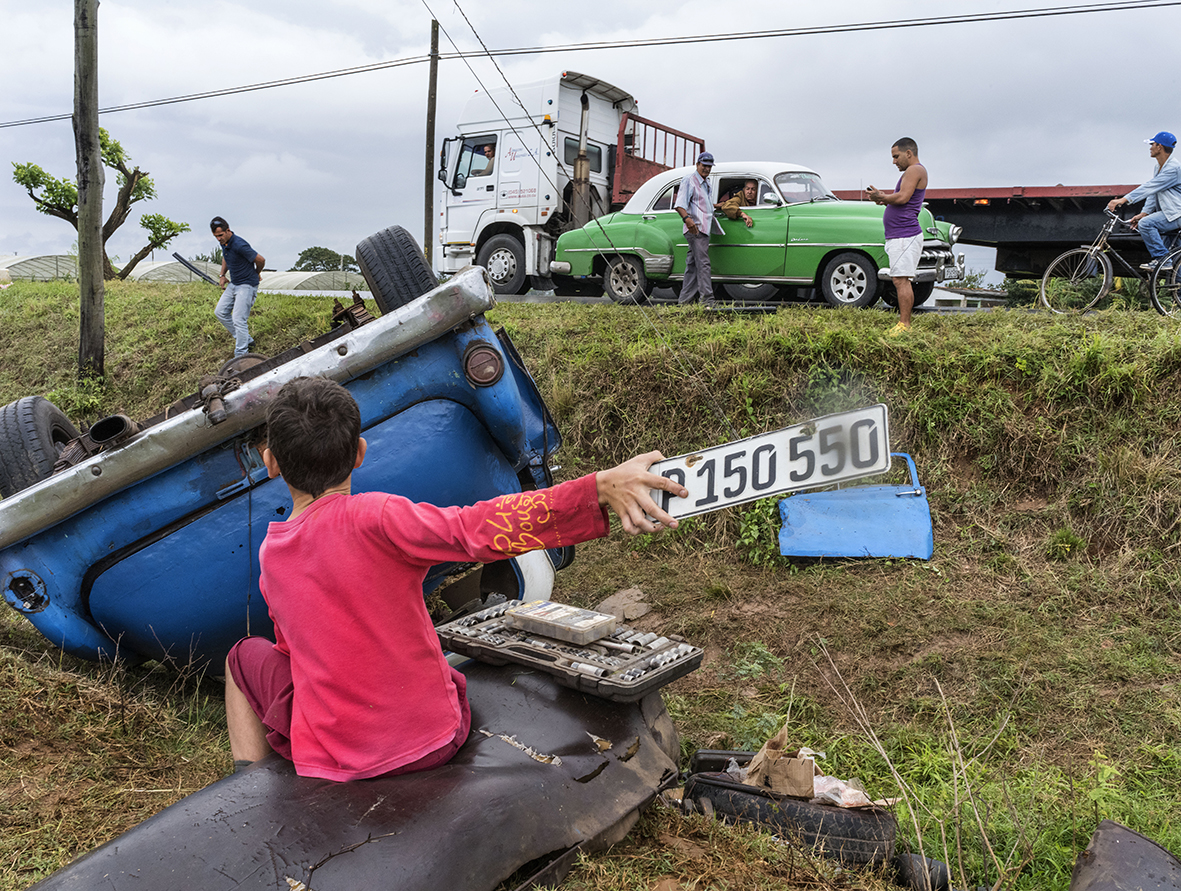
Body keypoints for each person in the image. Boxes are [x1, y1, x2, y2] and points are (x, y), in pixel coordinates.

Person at [224, 376, 689, 782]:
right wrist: (596, 488)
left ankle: (251, 786)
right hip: (435, 739)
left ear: (271, 462)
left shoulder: (272, 555)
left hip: (337, 762)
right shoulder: (378, 517)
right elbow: (477, 528)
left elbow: (294, 655)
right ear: (360, 453)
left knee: (242, 657)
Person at [867, 138, 928, 336]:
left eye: (896, 156)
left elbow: (902, 198)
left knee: (902, 280)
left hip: (905, 234)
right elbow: (901, 199)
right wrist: (884, 198)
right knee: (899, 279)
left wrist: (882, 197)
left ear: (908, 153)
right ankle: (903, 323)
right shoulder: (913, 172)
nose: (894, 161)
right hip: (899, 235)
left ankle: (904, 325)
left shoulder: (914, 170)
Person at [1107, 131, 1181, 272]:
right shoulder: (1159, 167)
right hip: (1171, 213)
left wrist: (1123, 199)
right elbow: (1154, 192)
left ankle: (1161, 259)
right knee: (1175, 259)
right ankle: (1177, 285)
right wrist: (1144, 213)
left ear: (1159, 146)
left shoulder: (1173, 168)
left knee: (1146, 224)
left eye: (1152, 144)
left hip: (1176, 214)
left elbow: (1149, 187)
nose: (1150, 148)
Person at [674, 151, 724, 307]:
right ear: (697, 164)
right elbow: (680, 205)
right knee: (703, 264)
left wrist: (716, 206)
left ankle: (684, 301)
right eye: (704, 165)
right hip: (696, 228)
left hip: (704, 227)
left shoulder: (705, 182)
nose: (707, 169)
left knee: (693, 265)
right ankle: (707, 300)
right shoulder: (689, 180)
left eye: (709, 166)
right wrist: (687, 220)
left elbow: (700, 203)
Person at [210, 216, 265, 357]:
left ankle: (241, 355)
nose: (218, 239)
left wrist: (256, 273)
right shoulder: (224, 242)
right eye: (216, 236)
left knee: (238, 319)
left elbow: (260, 260)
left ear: (228, 230)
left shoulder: (239, 244)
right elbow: (226, 256)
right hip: (234, 283)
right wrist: (222, 275)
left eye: (220, 235)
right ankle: (247, 340)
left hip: (246, 285)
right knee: (220, 312)